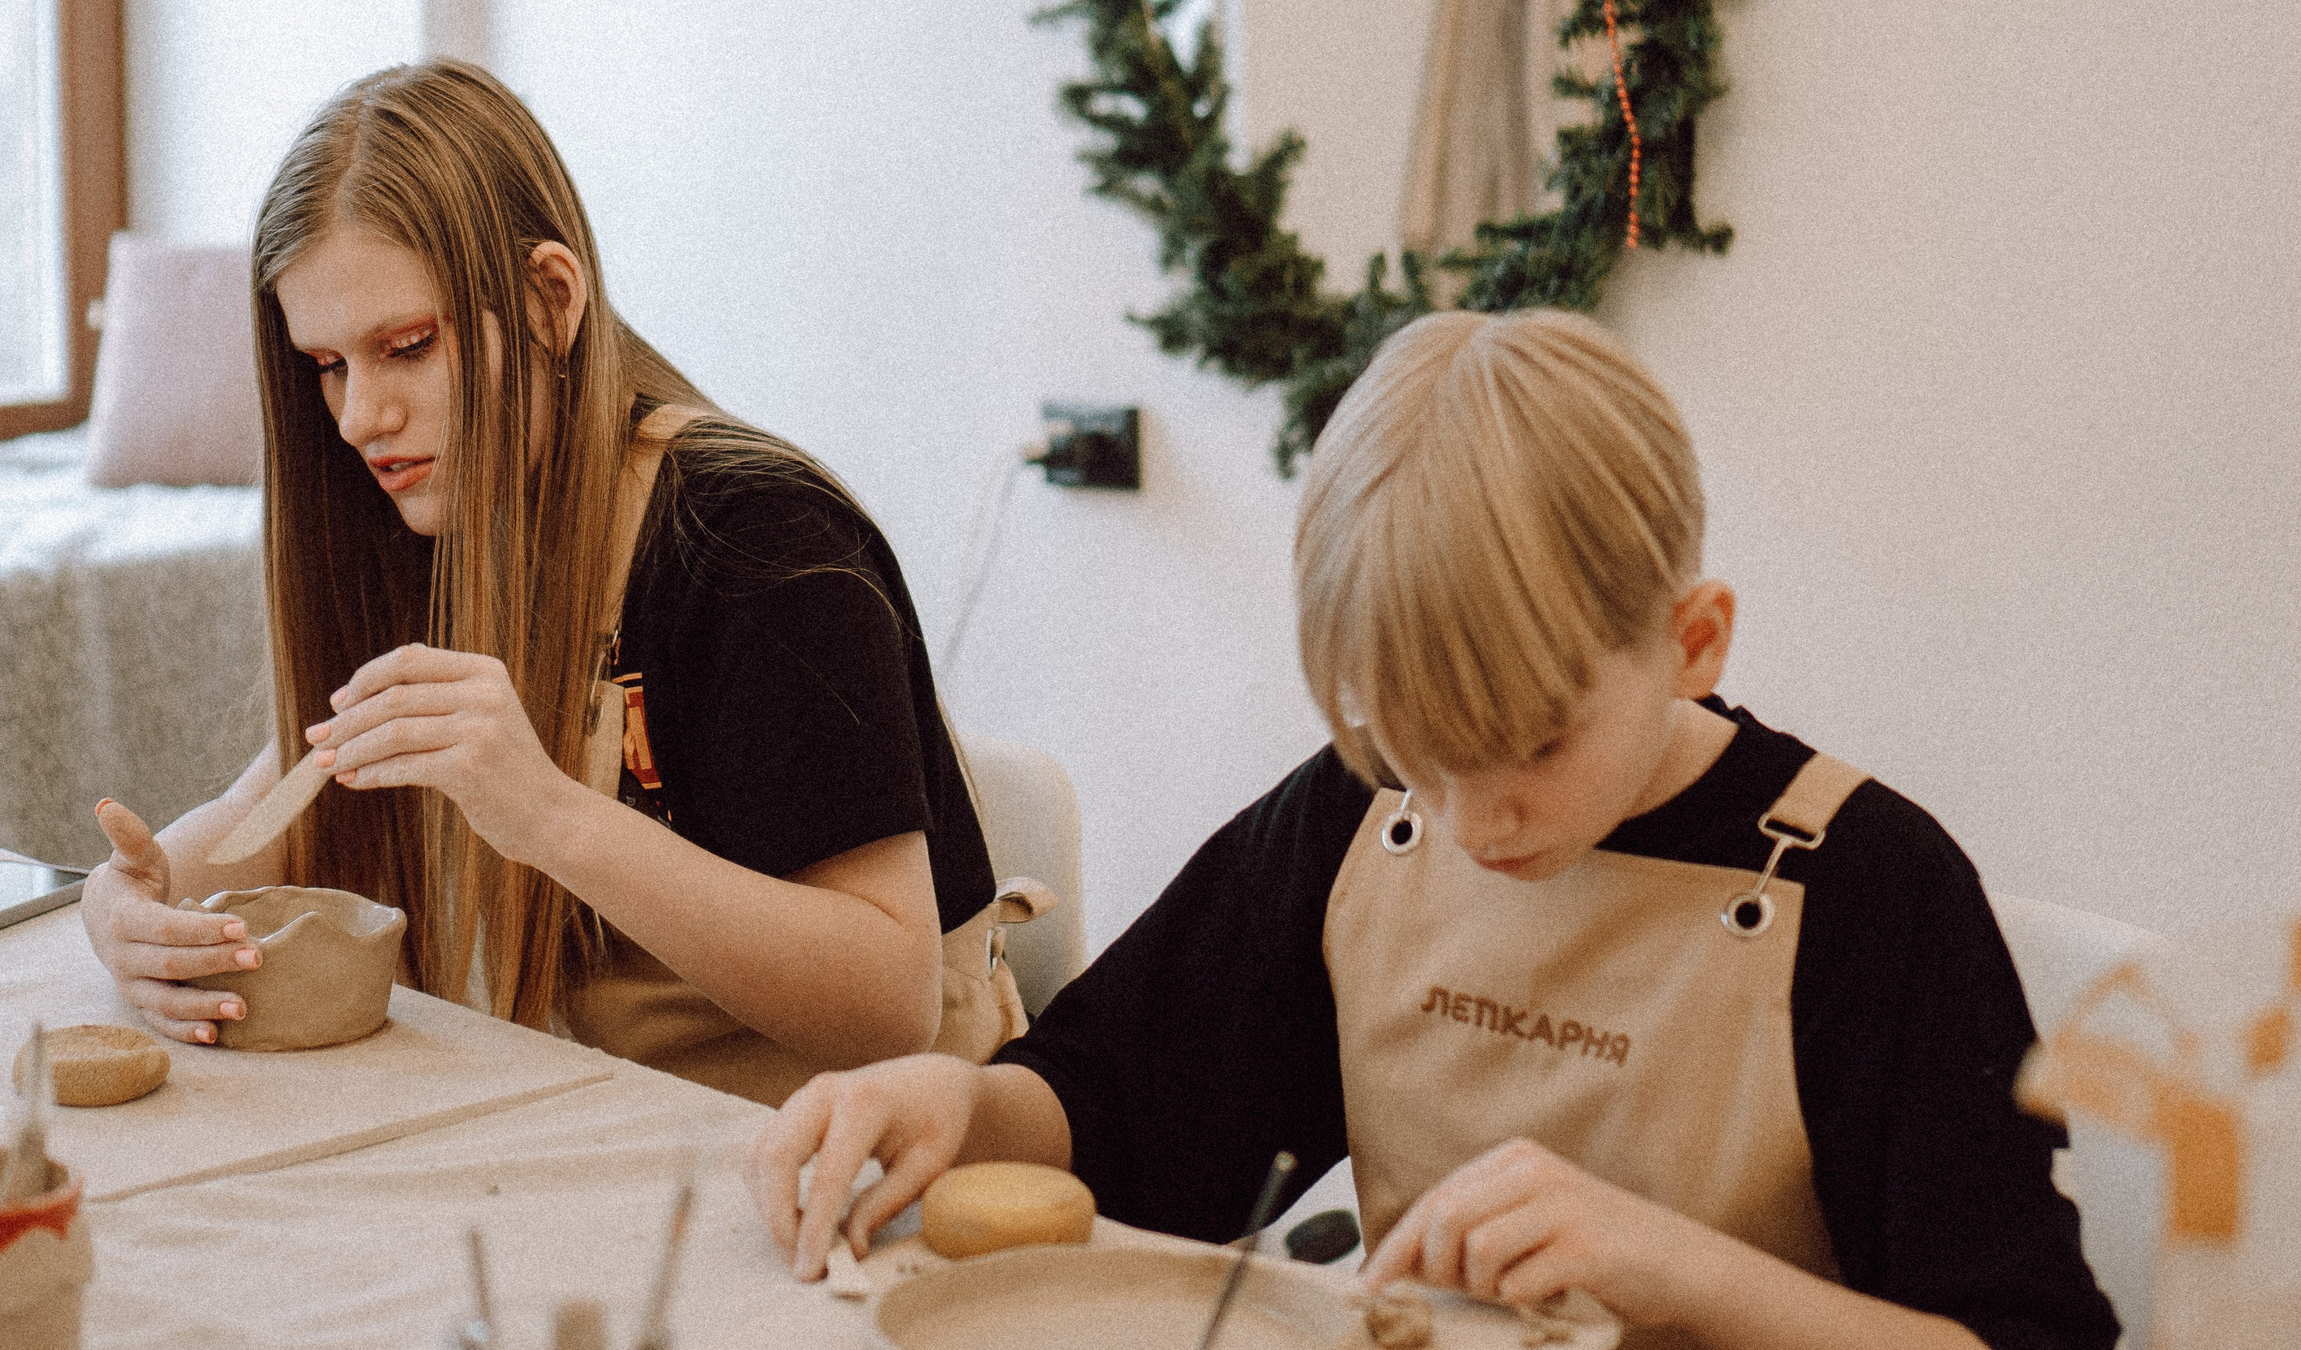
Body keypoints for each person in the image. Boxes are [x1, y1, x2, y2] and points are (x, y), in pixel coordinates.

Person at [748, 310, 2120, 1349]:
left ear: (1691, 640)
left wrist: (1669, 1261)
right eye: (1411, 748)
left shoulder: (1873, 892)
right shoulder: (1359, 822)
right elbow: (1130, 1106)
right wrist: (962, 1100)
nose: (1471, 821)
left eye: (1530, 745)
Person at [79, 59, 1013, 1105]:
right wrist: (134, 901)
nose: (357, 420)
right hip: (618, 1122)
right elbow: (271, 806)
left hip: (860, 1154)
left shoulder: (760, 541)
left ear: (548, 299)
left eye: (407, 348)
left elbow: (885, 1003)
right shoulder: (435, 510)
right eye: (329, 367)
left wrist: (547, 813)